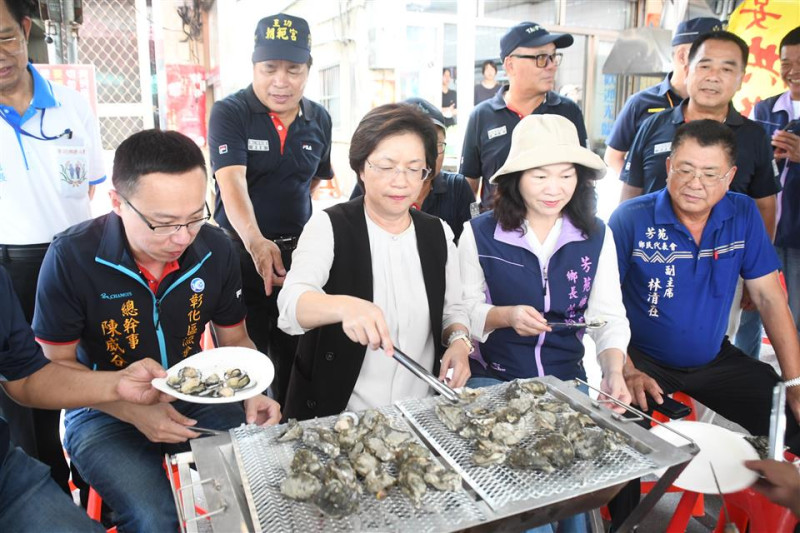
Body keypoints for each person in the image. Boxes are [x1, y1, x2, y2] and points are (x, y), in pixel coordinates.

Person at [32, 130, 282, 532]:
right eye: (163, 223)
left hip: (197, 392)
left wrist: (253, 392)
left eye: (195, 217)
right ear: (117, 203)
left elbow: (235, 339)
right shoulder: (72, 257)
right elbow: (51, 370)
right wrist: (128, 407)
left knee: (255, 490)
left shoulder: (216, 249)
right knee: (156, 517)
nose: (182, 238)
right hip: (100, 411)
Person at [607, 120, 800, 528]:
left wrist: (795, 384)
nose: (696, 183)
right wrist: (625, 367)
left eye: (710, 174)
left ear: (729, 177)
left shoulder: (743, 213)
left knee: (791, 416)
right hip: (642, 360)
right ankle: (623, 526)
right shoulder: (630, 219)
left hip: (713, 358)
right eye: (686, 169)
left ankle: (782, 515)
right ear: (669, 166)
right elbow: (601, 305)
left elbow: (769, 298)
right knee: (617, 430)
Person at [277, 103, 472, 420]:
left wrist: (460, 343)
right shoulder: (329, 226)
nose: (401, 181)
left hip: (417, 414)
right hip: (340, 416)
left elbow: (453, 309)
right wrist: (344, 307)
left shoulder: (437, 233)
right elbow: (290, 305)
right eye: (386, 166)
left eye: (414, 168)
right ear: (361, 168)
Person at [619, 30, 781, 361]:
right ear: (687, 67)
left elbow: (765, 205)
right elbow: (630, 192)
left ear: (741, 78)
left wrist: (755, 275)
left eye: (726, 68)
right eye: (705, 65)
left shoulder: (753, 136)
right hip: (651, 263)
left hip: (722, 268)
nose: (713, 77)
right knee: (642, 352)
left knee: (713, 352)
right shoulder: (653, 125)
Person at [0, 0, 106, 493]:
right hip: (6, 266)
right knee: (23, 392)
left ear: (24, 30)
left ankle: (97, 476)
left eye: (4, 38)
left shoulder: (71, 105)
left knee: (86, 371)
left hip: (72, 260)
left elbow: (88, 187)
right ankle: (46, 491)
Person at [459, 114, 630, 402]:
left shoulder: (597, 234)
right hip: (493, 377)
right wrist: (506, 316)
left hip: (567, 380)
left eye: (566, 175)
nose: (554, 189)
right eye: (540, 176)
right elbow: (462, 309)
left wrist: (613, 372)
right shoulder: (479, 233)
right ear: (516, 179)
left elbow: (608, 317)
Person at [208, 13, 333, 405]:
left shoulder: (319, 119)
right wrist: (257, 242)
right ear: (254, 67)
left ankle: (293, 425)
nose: (281, 80)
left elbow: (311, 181)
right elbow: (232, 183)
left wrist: (291, 239)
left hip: (298, 255)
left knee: (298, 347)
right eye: (270, 68)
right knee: (246, 355)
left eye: (293, 69)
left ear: (308, 71)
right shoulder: (230, 113)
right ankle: (250, 427)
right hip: (238, 253)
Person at [0, 266, 171, 532]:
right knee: (152, 513)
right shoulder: (71, 257)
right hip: (92, 419)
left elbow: (25, 377)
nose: (180, 238)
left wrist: (119, 384)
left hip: (6, 477)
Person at [460, 22, 587, 209]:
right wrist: (475, 228)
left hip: (556, 234)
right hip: (496, 232)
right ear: (510, 65)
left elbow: (584, 180)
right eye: (542, 58)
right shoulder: (481, 116)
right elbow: (468, 187)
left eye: (553, 57)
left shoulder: (568, 112)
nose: (551, 66)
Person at [603, 17, 722, 175]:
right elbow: (613, 157)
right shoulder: (640, 103)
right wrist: (640, 192)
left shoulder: (718, 104)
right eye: (709, 57)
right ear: (682, 56)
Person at [349, 97, 475, 241]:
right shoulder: (373, 185)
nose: (427, 154)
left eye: (436, 144)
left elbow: (473, 238)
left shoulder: (458, 187)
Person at [752, 26, 800, 339]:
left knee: (795, 315)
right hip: (761, 228)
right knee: (749, 312)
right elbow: (750, 166)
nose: (792, 72)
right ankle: (746, 379)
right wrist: (767, 157)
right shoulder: (765, 109)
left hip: (797, 234)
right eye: (786, 64)